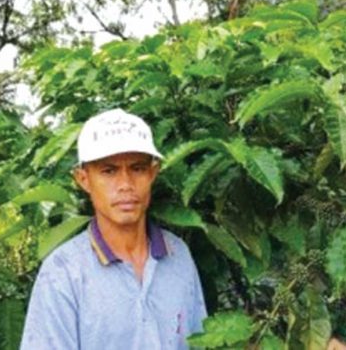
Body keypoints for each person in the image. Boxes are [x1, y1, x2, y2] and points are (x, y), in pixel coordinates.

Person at [20, 108, 208, 349]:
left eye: (137, 168)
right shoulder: (63, 272)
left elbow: (199, 341)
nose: (126, 185)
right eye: (109, 171)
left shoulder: (178, 254)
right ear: (83, 179)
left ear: (153, 173)